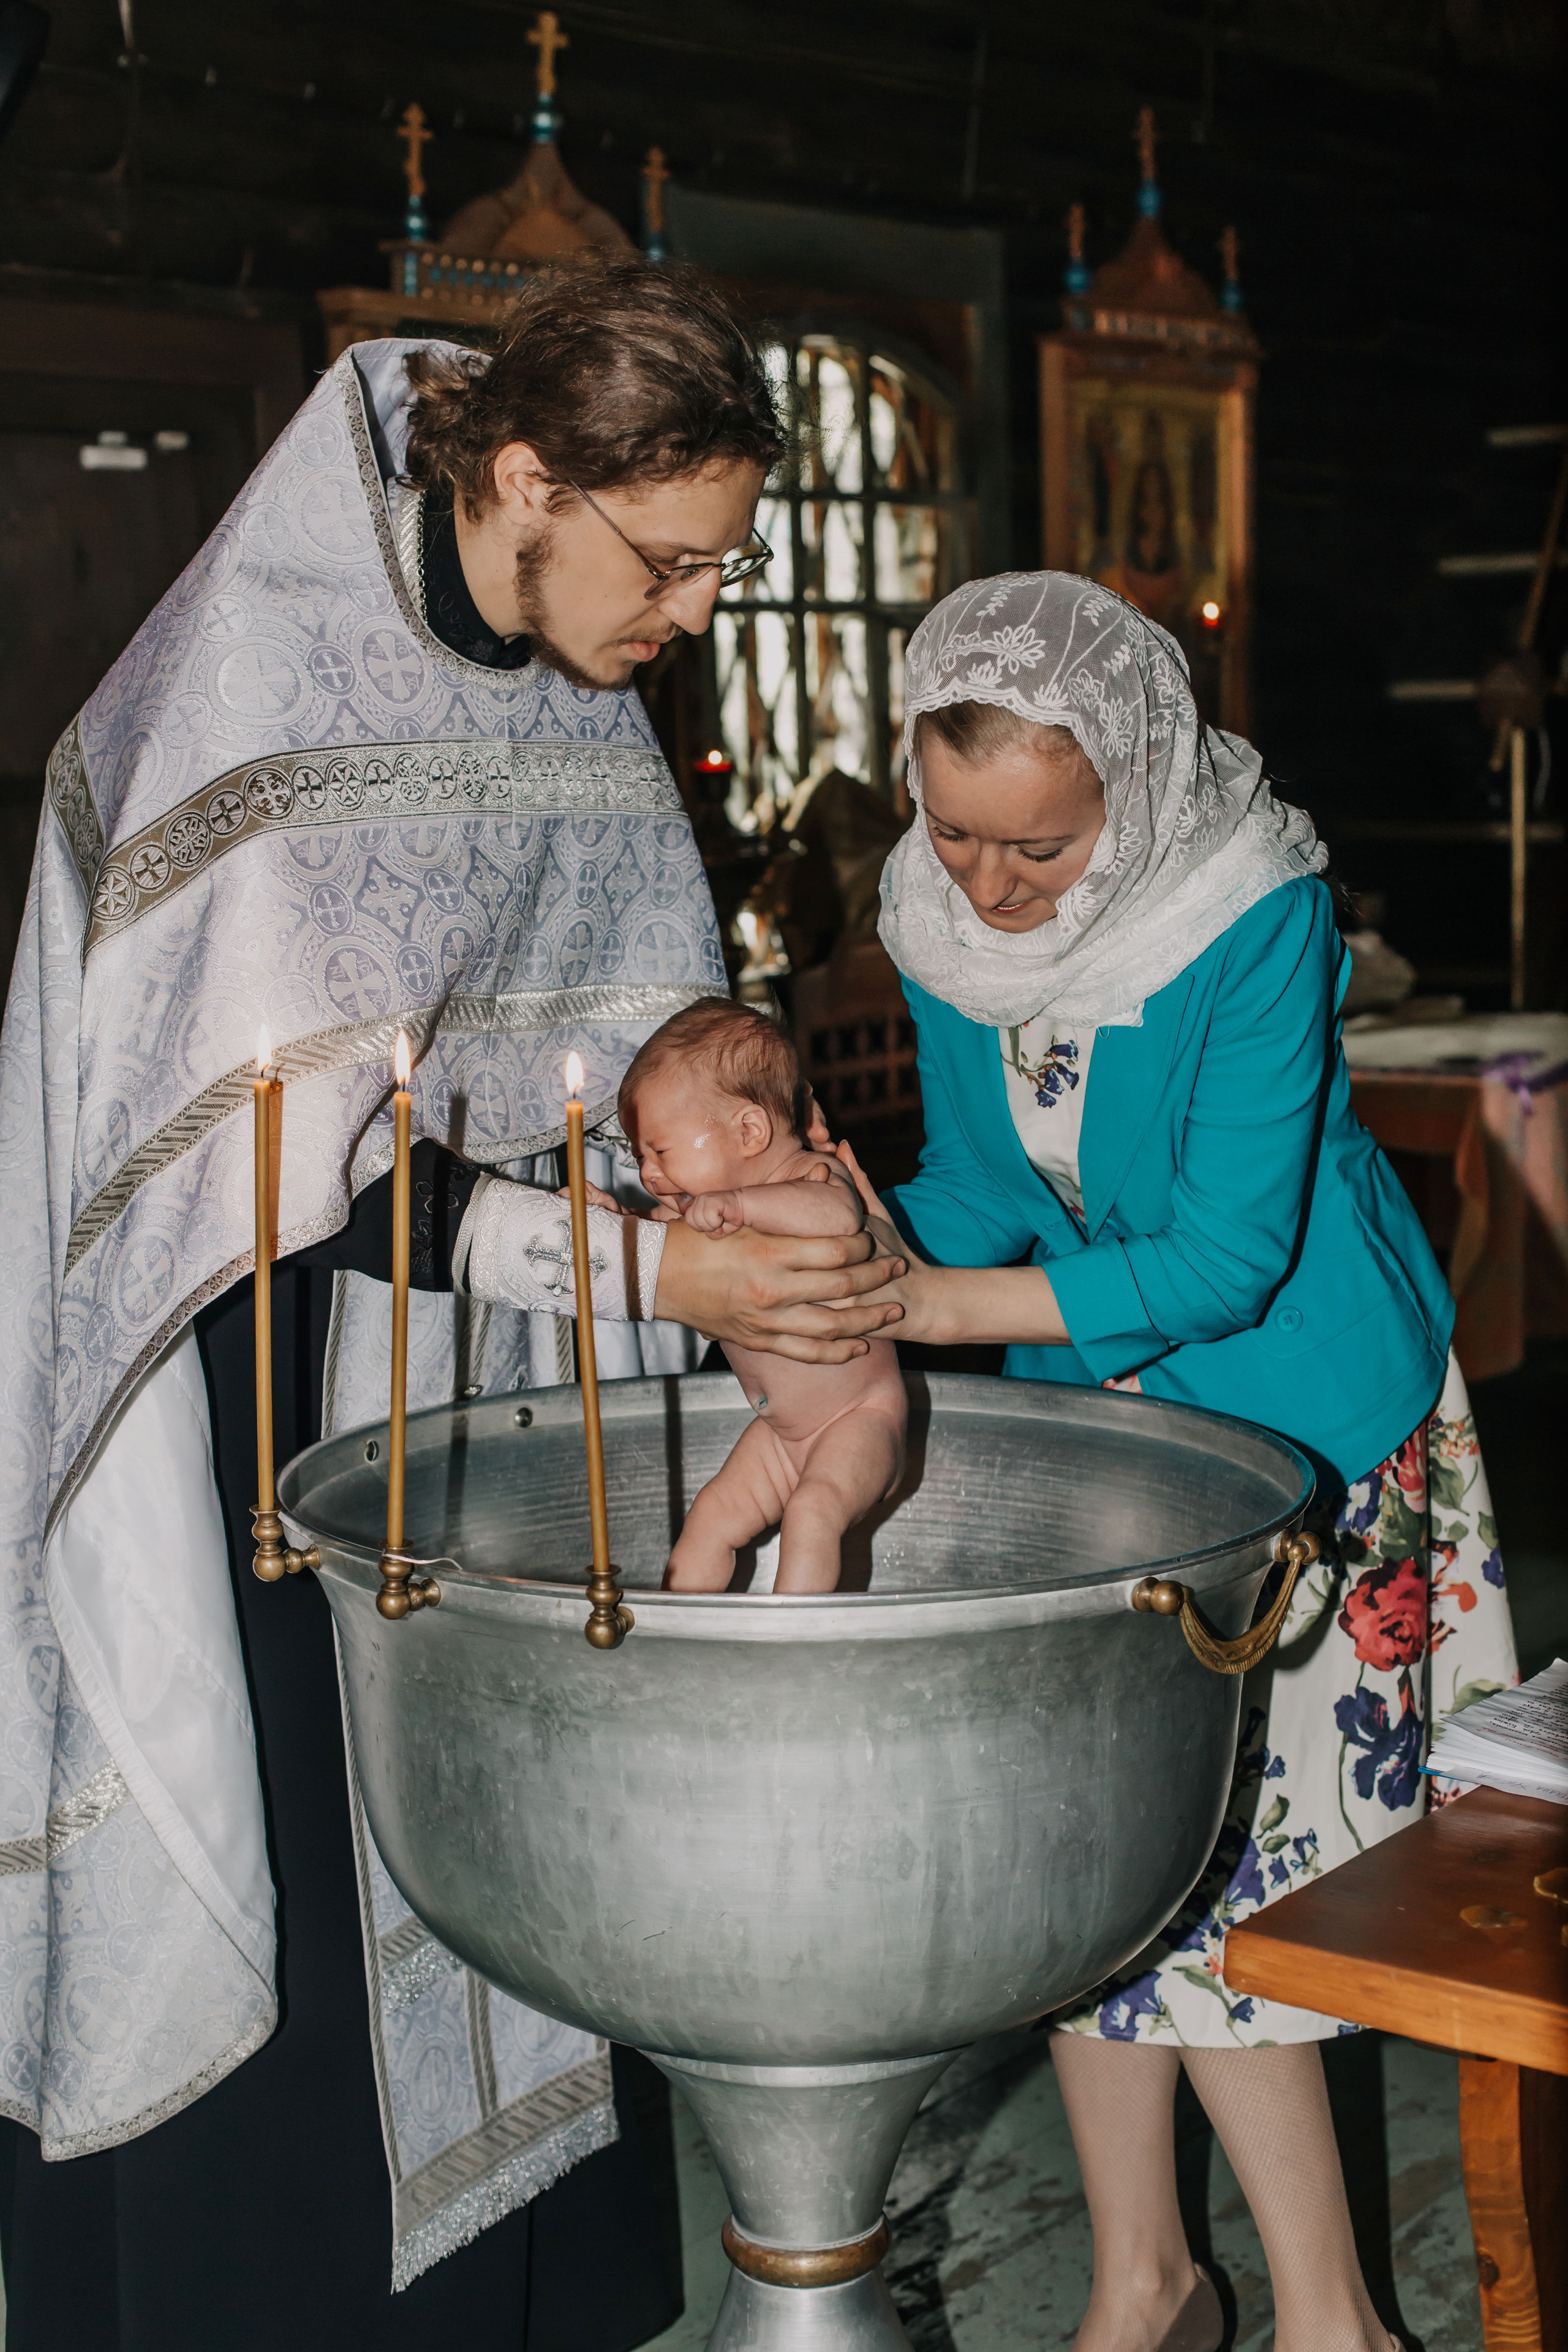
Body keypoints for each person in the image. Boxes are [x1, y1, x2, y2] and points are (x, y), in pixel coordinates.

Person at [0, 255, 898, 2352]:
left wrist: (729, 1112)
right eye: (671, 566)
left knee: (512, 1852)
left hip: (476, 1373)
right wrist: (666, 1264)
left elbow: (623, 1003)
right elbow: (296, 1180)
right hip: (236, 1391)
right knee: (322, 1895)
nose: (686, 622)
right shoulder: (260, 671)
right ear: (524, 479)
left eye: (721, 576)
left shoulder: (574, 698)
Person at [837, 572, 1516, 2352]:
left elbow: (1227, 1252)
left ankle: (1328, 2316)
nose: (983, 887)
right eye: (952, 830)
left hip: (1301, 1425)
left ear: (1132, 795)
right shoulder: (947, 914)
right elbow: (984, 1185)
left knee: (1243, 1880)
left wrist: (925, 1301)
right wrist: (845, 1245)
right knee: (1090, 1854)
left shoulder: (1252, 912)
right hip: (1111, 1426)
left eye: (1035, 850)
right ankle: (1147, 2276)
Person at [612, 1000, 906, 1592]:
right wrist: (615, 1217)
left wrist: (743, 1208)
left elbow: (838, 1213)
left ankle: (791, 1654)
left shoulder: (809, 1175)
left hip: (861, 1420)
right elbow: (652, 1245)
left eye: (661, 1152)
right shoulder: (705, 1203)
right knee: (711, 1517)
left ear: (750, 1131)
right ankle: (682, 1633)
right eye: (640, 1157)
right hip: (783, 1435)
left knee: (813, 1512)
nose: (649, 1172)